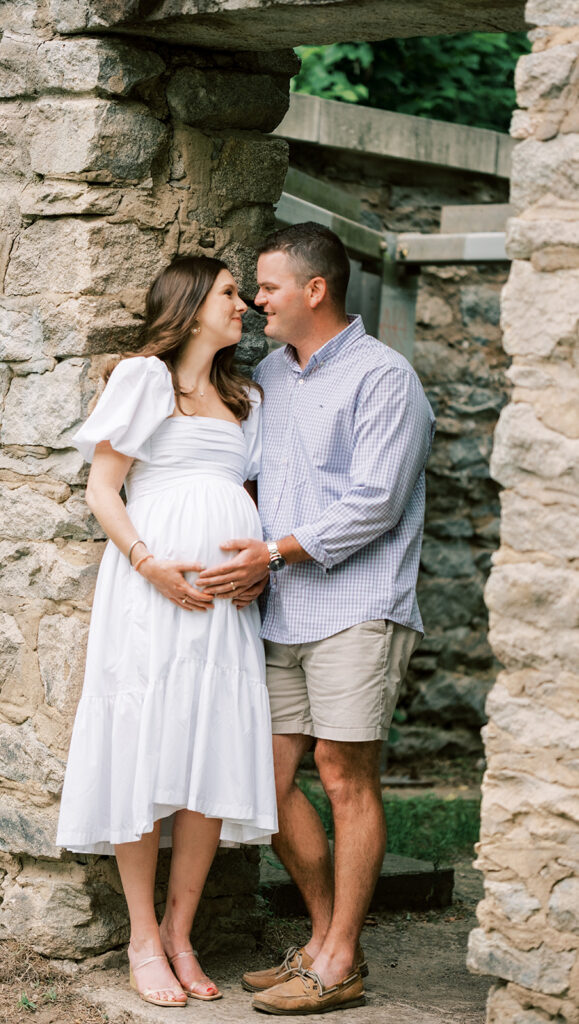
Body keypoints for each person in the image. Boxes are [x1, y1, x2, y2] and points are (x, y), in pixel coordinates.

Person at [197, 222, 436, 1015]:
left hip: (358, 605)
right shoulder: (268, 374)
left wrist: (268, 551)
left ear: (313, 290)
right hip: (279, 611)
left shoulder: (384, 379)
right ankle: (328, 942)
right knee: (264, 783)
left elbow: (374, 503)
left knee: (342, 773)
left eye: (264, 287)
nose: (256, 299)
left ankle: (334, 959)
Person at [56, 256, 277, 1009]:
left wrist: (260, 569)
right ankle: (143, 937)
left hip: (225, 605)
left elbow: (251, 499)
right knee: (144, 741)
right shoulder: (146, 379)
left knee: (207, 748)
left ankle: (182, 933)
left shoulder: (243, 396)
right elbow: (102, 487)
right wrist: (149, 564)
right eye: (227, 293)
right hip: (152, 593)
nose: (242, 303)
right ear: (189, 304)